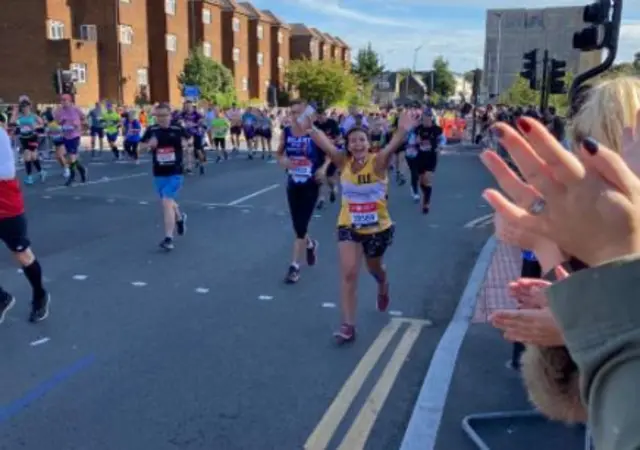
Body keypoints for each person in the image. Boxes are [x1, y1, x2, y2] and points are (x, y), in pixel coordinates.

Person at [303, 110, 417, 343]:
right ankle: (348, 325)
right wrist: (310, 129)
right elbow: (326, 145)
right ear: (348, 144)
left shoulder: (378, 162)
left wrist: (403, 129)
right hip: (349, 225)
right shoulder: (342, 161)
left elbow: (393, 145)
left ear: (368, 143)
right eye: (352, 140)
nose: (357, 144)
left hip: (378, 228)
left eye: (361, 140)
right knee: (349, 274)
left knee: (375, 269)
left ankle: (383, 285)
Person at [0, 126, 50, 324]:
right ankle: (2, 298)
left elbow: (7, 171)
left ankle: (39, 295)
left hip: (6, 206)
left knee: (22, 254)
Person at [276, 100, 322, 284]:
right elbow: (279, 153)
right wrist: (283, 160)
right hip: (293, 183)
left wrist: (324, 169)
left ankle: (294, 267)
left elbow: (331, 155)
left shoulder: (315, 133)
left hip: (311, 184)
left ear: (307, 114)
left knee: (300, 227)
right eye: (292, 113)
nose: (295, 117)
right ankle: (310, 244)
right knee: (298, 225)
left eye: (299, 113)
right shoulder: (286, 132)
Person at [139, 103, 189, 251]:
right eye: (158, 116)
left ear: (170, 115)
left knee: (166, 202)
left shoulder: (177, 128)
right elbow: (139, 148)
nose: (161, 119)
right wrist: (149, 145)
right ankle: (180, 219)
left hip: (176, 171)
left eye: (164, 115)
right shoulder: (152, 130)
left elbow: (189, 140)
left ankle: (168, 238)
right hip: (159, 172)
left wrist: (185, 143)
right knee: (168, 200)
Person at [11, 99, 46, 185]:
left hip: (33, 137)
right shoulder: (20, 116)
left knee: (27, 156)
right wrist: (14, 112)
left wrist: (36, 126)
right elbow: (12, 122)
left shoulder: (33, 116)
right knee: (33, 157)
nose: (25, 109)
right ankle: (41, 172)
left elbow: (43, 123)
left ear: (29, 107)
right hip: (24, 138)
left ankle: (29, 177)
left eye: (26, 107)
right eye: (23, 107)